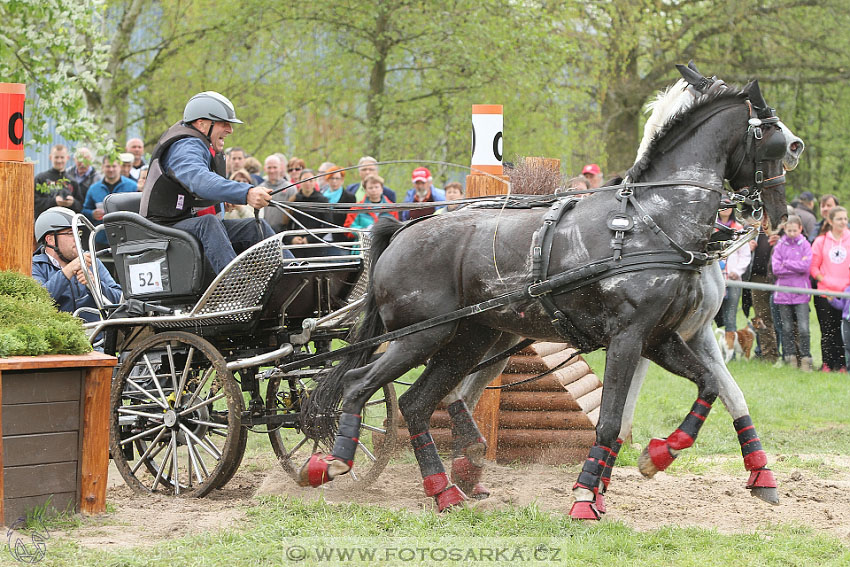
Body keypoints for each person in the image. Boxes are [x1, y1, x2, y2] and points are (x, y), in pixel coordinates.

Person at [140, 91, 281, 273]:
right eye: (224, 123)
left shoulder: (200, 144)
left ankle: (293, 274)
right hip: (160, 229)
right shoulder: (185, 145)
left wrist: (221, 201)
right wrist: (246, 193)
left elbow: (190, 191)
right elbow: (199, 180)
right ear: (202, 124)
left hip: (182, 224)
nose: (230, 130)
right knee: (208, 224)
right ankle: (234, 286)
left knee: (254, 227)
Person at [32, 207, 122, 324]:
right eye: (70, 233)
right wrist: (67, 272)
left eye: (78, 233)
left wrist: (95, 285)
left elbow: (118, 299)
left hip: (98, 336)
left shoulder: (91, 261)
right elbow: (37, 303)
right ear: (50, 240)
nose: (77, 239)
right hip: (57, 339)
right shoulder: (35, 266)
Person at [810, 206, 850, 372]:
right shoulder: (821, 241)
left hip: (846, 294)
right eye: (839, 219)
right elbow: (813, 267)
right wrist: (825, 281)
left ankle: (842, 364)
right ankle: (827, 363)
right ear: (830, 221)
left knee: (844, 331)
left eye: (845, 218)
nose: (843, 222)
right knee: (827, 330)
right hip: (825, 293)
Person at [772, 215, 813, 371]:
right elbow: (776, 269)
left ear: (800, 229)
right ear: (784, 229)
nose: (791, 233)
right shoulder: (780, 245)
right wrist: (796, 266)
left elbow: (806, 266)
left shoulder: (805, 245)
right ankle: (789, 359)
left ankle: (805, 359)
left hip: (801, 292)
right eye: (789, 230)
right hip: (783, 293)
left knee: (803, 328)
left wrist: (787, 263)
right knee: (786, 328)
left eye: (794, 230)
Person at [716, 206, 751, 358]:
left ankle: (731, 353)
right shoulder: (711, 227)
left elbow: (744, 254)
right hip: (714, 278)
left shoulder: (738, 228)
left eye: (728, 206)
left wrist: (737, 271)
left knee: (730, 317)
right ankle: (711, 352)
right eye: (722, 206)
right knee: (709, 317)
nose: (725, 209)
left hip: (732, 280)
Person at [82, 155, 139, 246]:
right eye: (108, 166)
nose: (111, 169)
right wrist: (92, 214)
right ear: (103, 167)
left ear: (120, 167)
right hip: (101, 240)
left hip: (127, 239)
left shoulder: (132, 186)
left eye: (114, 166)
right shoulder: (94, 189)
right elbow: (84, 210)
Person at [746, 217, 779, 362]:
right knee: (761, 317)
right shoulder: (754, 231)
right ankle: (768, 355)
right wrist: (749, 248)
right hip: (757, 278)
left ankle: (791, 355)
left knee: (781, 319)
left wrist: (780, 241)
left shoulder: (782, 230)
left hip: (778, 279)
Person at [285, 170, 329, 258]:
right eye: (305, 180)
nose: (307, 183)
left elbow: (328, 225)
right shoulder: (294, 200)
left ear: (315, 182)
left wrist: (310, 239)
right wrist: (291, 239)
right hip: (296, 245)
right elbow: (285, 224)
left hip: (315, 245)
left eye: (311, 180)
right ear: (299, 182)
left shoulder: (322, 200)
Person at [34, 144, 82, 219]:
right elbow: (33, 202)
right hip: (44, 223)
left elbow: (81, 206)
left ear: (67, 158)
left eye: (62, 157)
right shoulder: (40, 179)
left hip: (66, 227)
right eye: (56, 157)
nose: (59, 161)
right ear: (50, 157)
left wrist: (72, 203)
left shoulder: (72, 181)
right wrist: (54, 201)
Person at [321, 165, 356, 254]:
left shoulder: (349, 197)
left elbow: (351, 218)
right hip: (322, 239)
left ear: (342, 180)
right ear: (327, 180)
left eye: (337, 178)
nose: (334, 181)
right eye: (332, 178)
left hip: (341, 241)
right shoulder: (321, 196)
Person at [260, 155, 297, 232]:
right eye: (269, 168)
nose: (272, 171)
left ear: (280, 168)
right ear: (265, 169)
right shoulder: (260, 189)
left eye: (275, 167)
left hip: (284, 232)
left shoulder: (290, 188)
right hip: (264, 231)